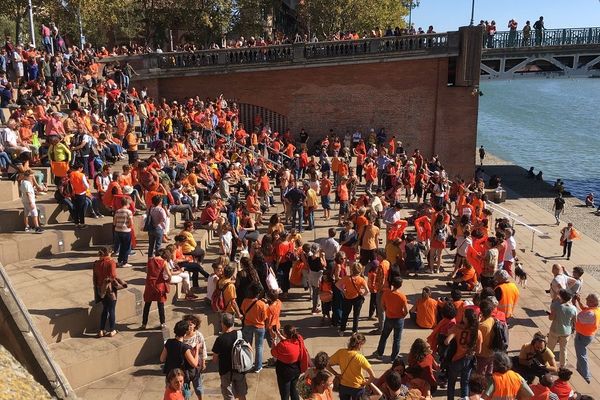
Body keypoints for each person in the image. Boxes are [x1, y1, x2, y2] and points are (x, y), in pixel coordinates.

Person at [444, 308, 482, 400]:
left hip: (455, 360)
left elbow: (446, 342)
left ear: (465, 319)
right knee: (465, 383)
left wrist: (451, 337)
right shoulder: (478, 332)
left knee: (451, 383)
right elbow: (479, 351)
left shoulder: (457, 328)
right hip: (468, 360)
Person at [327, 333, 377, 400]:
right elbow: (373, 376)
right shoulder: (359, 358)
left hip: (343, 386)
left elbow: (327, 365)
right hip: (357, 388)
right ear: (359, 344)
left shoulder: (340, 352)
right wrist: (366, 383)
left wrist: (336, 374)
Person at [212, 313, 248, 400]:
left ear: (223, 324)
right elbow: (249, 348)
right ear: (233, 323)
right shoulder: (241, 334)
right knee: (242, 394)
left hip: (226, 372)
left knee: (228, 396)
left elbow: (214, 359)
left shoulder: (220, 339)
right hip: (240, 370)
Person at [373, 276, 409, 362]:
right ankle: (394, 357)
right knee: (397, 339)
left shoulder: (386, 293)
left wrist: (387, 311)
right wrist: (403, 315)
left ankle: (379, 353)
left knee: (384, 336)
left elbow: (382, 305)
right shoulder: (402, 296)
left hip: (389, 318)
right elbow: (406, 310)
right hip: (399, 319)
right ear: (400, 285)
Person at [93, 247, 126, 338]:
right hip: (110, 290)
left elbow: (95, 277)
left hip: (101, 290)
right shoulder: (111, 262)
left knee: (105, 309)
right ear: (109, 253)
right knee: (111, 310)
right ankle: (112, 330)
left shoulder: (96, 263)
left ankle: (101, 330)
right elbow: (113, 276)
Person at [271, 324, 309, 400]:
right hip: (296, 370)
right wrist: (279, 335)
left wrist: (274, 339)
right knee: (294, 391)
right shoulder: (298, 339)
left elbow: (273, 352)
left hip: (284, 372)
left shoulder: (282, 345)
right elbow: (288, 341)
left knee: (285, 394)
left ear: (285, 334)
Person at [160, 320, 200, 391]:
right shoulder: (184, 348)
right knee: (185, 395)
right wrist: (197, 350)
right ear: (185, 333)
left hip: (170, 377)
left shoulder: (169, 342)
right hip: (182, 379)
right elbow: (194, 364)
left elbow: (162, 359)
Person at [241, 282, 268, 373]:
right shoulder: (262, 304)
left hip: (248, 325)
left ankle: (247, 364)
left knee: (247, 345)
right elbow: (264, 317)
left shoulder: (245, 301)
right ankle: (258, 366)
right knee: (259, 347)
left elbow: (244, 312)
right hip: (259, 326)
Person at [337, 262, 369, 335]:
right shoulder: (361, 279)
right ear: (360, 270)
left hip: (347, 298)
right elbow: (367, 290)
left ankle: (342, 330)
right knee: (356, 315)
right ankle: (354, 331)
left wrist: (344, 291)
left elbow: (337, 284)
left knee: (345, 314)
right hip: (357, 298)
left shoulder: (346, 278)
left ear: (351, 269)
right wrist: (363, 295)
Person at [141, 248, 171, 329]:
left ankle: (144, 324)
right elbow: (169, 274)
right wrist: (169, 280)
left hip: (150, 285)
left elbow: (147, 271)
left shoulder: (150, 260)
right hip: (159, 285)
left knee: (147, 305)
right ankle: (162, 323)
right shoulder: (164, 262)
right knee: (160, 305)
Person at [573, 293, 600, 383]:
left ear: (592, 302)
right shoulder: (595, 310)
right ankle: (579, 371)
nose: (586, 299)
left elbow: (577, 317)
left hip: (583, 336)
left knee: (581, 355)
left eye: (587, 299)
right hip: (587, 334)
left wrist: (573, 305)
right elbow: (585, 309)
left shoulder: (590, 314)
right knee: (580, 354)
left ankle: (586, 376)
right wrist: (579, 302)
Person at [547, 289, 577, 368]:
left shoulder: (557, 307)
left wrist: (550, 314)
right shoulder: (573, 308)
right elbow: (575, 321)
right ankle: (562, 366)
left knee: (550, 347)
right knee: (563, 349)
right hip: (566, 332)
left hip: (555, 330)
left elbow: (551, 318)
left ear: (561, 297)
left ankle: (548, 363)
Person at [182, 315, 207, 400]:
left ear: (195, 325)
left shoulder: (198, 335)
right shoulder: (181, 335)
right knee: (186, 388)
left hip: (195, 366)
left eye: (191, 324)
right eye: (187, 324)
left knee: (198, 386)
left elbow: (203, 349)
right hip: (184, 367)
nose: (189, 326)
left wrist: (203, 362)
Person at [113, 197, 133, 267]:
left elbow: (114, 222)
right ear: (127, 204)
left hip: (117, 231)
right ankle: (124, 262)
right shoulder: (129, 212)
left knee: (121, 246)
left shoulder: (118, 211)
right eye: (129, 204)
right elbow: (131, 223)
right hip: (126, 231)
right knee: (127, 247)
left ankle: (119, 261)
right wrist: (129, 226)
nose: (130, 206)